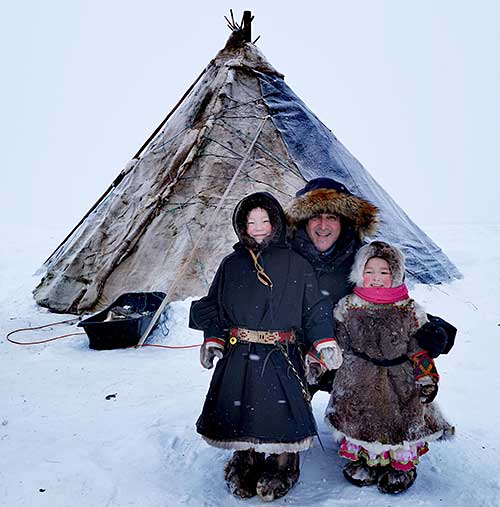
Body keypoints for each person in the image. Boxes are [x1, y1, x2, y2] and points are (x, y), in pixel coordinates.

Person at [189, 192, 343, 502]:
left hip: (281, 354)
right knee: (240, 408)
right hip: (239, 352)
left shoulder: (297, 264)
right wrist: (212, 339)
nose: (258, 227)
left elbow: (314, 308)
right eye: (251, 222)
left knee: (279, 413)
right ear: (242, 226)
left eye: (264, 220)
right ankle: (244, 460)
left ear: (275, 223)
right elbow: (214, 305)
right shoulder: (231, 264)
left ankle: (282, 464)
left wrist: (324, 341)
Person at [286, 178, 456, 393]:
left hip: (349, 353)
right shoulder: (284, 258)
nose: (322, 225)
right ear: (303, 221)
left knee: (395, 348)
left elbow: (391, 308)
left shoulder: (367, 260)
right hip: (295, 354)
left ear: (345, 221)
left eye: (331, 217)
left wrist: (432, 329)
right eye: (315, 217)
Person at [324, 241, 451, 494]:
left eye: (384, 272)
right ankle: (365, 461)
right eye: (369, 272)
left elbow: (419, 349)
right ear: (360, 273)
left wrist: (427, 378)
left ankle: (400, 467)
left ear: (395, 274)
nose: (376, 278)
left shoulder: (409, 309)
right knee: (359, 419)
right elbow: (338, 341)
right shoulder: (347, 306)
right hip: (357, 377)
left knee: (399, 425)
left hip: (399, 381)